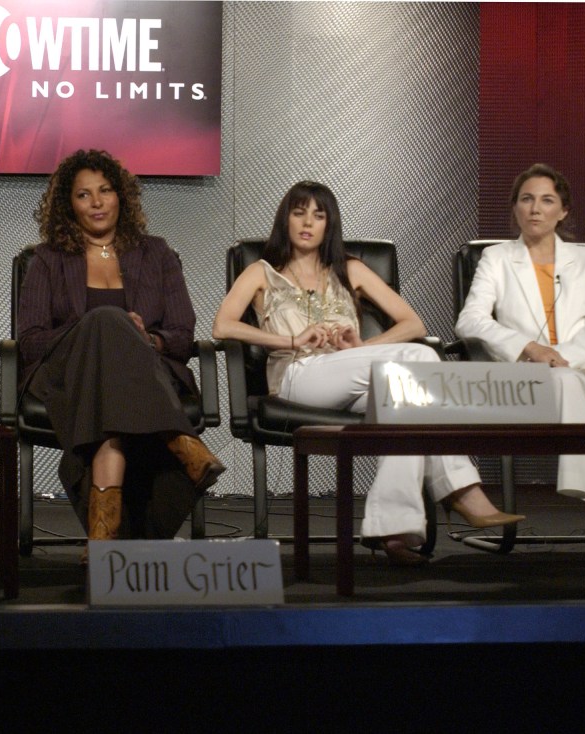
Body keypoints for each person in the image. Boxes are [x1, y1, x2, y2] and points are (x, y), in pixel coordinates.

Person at [212, 181, 523, 565]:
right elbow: (223, 327)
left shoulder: (351, 270)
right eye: (299, 213)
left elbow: (412, 322)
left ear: (330, 224)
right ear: (285, 220)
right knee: (422, 362)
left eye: (318, 215)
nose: (308, 223)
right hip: (298, 375)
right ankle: (460, 489)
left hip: (347, 370)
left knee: (409, 403)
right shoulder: (261, 272)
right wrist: (290, 340)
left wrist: (362, 349)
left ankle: (391, 532)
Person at [18, 149, 224, 551]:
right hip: (63, 378)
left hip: (141, 375)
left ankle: (103, 537)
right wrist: (91, 327)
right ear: (67, 205)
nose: (96, 202)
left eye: (105, 190)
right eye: (83, 195)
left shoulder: (158, 254)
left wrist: (146, 340)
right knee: (107, 320)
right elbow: (30, 341)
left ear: (121, 196)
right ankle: (176, 438)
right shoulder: (47, 260)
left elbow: (182, 336)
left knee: (108, 405)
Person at [455, 163, 585, 561]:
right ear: (515, 208)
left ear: (562, 211)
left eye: (547, 200)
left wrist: (564, 357)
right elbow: (470, 320)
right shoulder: (496, 259)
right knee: (565, 384)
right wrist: (529, 348)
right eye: (526, 199)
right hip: (529, 378)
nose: (535, 209)